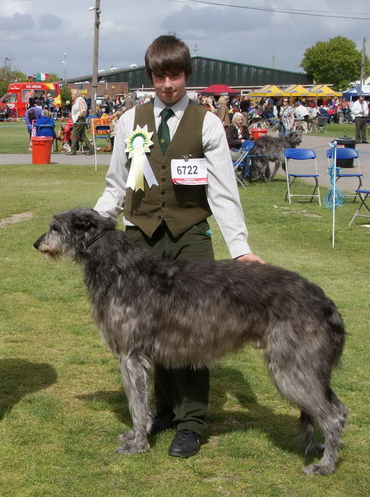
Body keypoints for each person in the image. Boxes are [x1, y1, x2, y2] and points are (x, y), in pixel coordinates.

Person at [93, 34, 264, 459]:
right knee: (147, 333)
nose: (167, 84)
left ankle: (192, 422)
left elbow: (223, 191)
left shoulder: (206, 123)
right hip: (139, 240)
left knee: (193, 332)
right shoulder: (129, 121)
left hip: (190, 237)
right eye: (159, 76)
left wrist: (240, 247)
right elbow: (116, 184)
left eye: (175, 75)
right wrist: (96, 225)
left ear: (186, 75)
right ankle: (163, 410)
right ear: (150, 77)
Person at [226, 112, 251, 179]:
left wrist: (244, 133)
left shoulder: (244, 128)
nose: (240, 121)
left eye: (241, 120)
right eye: (238, 120)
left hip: (243, 149)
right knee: (247, 155)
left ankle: (247, 173)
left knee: (250, 154)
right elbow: (229, 141)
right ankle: (246, 175)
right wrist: (239, 141)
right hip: (233, 150)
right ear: (235, 120)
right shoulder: (230, 129)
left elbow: (247, 138)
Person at [67, 90, 93, 155]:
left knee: (74, 134)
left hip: (80, 120)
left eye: (72, 94)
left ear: (76, 95)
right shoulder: (76, 101)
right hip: (77, 119)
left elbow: (83, 111)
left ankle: (73, 150)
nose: (71, 96)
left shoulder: (80, 100)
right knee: (82, 135)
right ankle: (92, 149)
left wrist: (77, 117)